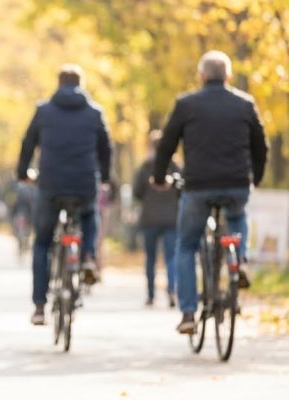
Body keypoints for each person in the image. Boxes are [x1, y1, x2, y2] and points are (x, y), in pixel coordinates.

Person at [152, 50, 267, 334]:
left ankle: (189, 313)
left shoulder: (186, 104)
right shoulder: (245, 104)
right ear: (228, 76)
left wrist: (159, 177)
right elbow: (260, 145)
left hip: (198, 186)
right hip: (237, 184)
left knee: (187, 245)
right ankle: (239, 260)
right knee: (238, 218)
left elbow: (166, 144)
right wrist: (258, 178)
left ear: (201, 76)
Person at [17, 64, 112, 325]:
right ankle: (88, 257)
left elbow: (28, 143)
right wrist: (104, 178)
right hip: (84, 184)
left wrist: (23, 173)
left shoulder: (43, 111)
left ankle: (39, 306)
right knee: (90, 215)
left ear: (58, 84)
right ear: (81, 84)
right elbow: (106, 149)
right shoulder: (95, 113)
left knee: (42, 243)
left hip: (50, 185)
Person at [133, 130, 180, 307]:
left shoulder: (145, 167)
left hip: (149, 219)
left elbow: (137, 192)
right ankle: (171, 290)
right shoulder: (175, 167)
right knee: (171, 256)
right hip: (171, 219)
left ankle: (151, 295)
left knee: (150, 258)